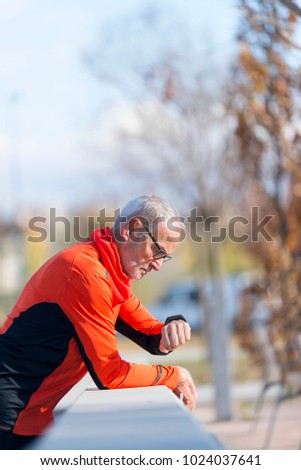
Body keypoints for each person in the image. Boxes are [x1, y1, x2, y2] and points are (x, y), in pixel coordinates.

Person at [0, 194, 198, 449]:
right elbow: (110, 375)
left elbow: (151, 335)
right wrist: (174, 375)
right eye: (157, 251)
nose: (158, 266)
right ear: (132, 229)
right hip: (10, 415)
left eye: (164, 257)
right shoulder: (85, 273)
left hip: (28, 415)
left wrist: (174, 326)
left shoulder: (109, 271)